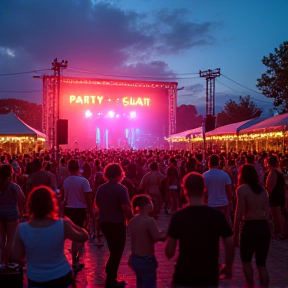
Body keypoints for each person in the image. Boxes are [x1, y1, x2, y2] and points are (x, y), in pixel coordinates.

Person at [165, 172, 234, 288]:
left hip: (184, 274)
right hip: (209, 274)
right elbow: (229, 243)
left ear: (184, 189)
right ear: (205, 190)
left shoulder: (178, 216)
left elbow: (169, 252)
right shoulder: (216, 215)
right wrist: (228, 266)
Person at [12, 186, 88, 288]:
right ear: (52, 204)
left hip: (36, 278)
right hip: (61, 275)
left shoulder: (22, 228)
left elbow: (16, 257)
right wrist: (71, 223)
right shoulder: (62, 225)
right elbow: (84, 236)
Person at [95, 163, 133, 288]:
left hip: (104, 221)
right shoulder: (121, 189)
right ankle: (111, 277)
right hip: (117, 222)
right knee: (118, 250)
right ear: (119, 174)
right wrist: (131, 220)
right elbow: (125, 207)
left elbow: (97, 204)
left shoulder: (101, 188)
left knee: (112, 248)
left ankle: (111, 274)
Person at [233, 164, 271, 288]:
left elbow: (239, 213)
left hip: (250, 226)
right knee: (262, 263)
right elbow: (268, 213)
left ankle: (249, 285)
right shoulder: (263, 191)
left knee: (246, 260)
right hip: (263, 226)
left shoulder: (242, 189)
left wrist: (235, 234)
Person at [128, 194, 166, 288]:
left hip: (135, 258)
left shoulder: (132, 221)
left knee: (140, 283)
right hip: (147, 259)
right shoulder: (149, 220)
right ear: (146, 204)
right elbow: (157, 237)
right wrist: (168, 231)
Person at [63, 159, 94, 271]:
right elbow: (88, 198)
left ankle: (75, 258)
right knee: (79, 235)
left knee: (73, 234)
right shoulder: (83, 181)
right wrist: (92, 212)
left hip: (69, 209)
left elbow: (64, 198)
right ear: (78, 168)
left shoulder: (66, 181)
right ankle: (75, 260)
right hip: (80, 209)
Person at [0, 164, 26, 266]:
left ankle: (2, 260)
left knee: (2, 239)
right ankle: (8, 260)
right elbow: (22, 198)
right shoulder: (13, 186)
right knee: (10, 239)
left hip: (0, 213)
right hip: (11, 213)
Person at [203, 154, 233, 225]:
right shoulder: (224, 175)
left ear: (209, 163)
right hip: (223, 204)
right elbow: (229, 191)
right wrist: (230, 204)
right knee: (224, 226)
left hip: (210, 204)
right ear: (218, 162)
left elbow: (202, 192)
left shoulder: (204, 176)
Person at [265, 154, 287, 239]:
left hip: (276, 195)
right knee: (277, 214)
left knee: (278, 213)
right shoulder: (279, 171)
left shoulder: (273, 173)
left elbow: (270, 186)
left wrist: (267, 192)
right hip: (279, 194)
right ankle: (279, 231)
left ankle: (282, 232)